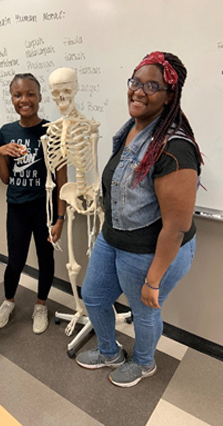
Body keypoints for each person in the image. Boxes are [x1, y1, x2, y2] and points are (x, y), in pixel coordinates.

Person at [76, 51, 203, 387]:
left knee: (145, 310)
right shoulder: (133, 129)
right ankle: (108, 352)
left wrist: (153, 280)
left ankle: (145, 363)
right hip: (114, 237)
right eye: (135, 82)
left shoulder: (175, 148)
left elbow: (176, 227)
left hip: (151, 249)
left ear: (168, 96)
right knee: (94, 296)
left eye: (152, 86)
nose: (139, 91)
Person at [0, 73, 66, 334]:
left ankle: (40, 305)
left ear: (39, 96)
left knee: (46, 259)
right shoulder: (6, 132)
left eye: (30, 94)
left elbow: (62, 181)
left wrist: (60, 218)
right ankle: (8, 300)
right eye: (18, 95)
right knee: (15, 260)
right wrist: (1, 154)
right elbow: (5, 178)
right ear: (12, 98)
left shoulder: (53, 131)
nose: (24, 100)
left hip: (44, 209)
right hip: (17, 207)